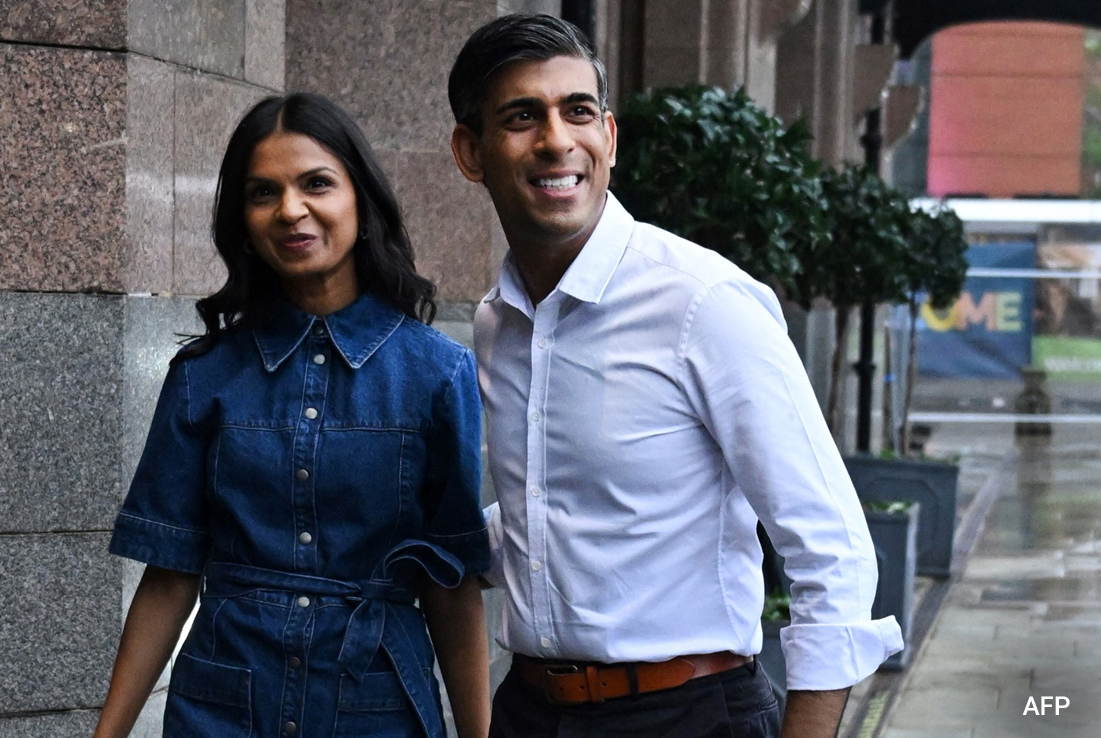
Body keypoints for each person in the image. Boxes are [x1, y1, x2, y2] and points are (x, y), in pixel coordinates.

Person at [446, 14, 903, 738]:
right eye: (522, 117)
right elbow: (564, 506)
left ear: (609, 137)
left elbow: (834, 551)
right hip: (530, 712)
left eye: (578, 111)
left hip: (689, 715)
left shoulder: (703, 304)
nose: (557, 140)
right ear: (471, 151)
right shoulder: (497, 324)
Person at [93, 92, 491, 738]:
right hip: (221, 707)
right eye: (263, 193)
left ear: (361, 199)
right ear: (243, 220)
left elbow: (451, 584)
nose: (290, 210)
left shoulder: (437, 374)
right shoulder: (203, 375)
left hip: (373, 707)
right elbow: (169, 574)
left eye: (316, 184)